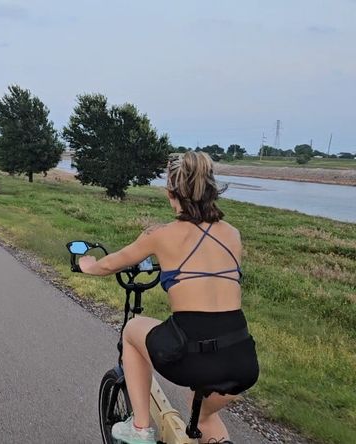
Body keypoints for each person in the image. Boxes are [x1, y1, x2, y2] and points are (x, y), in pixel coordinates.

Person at [78, 151, 259, 444]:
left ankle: (139, 428)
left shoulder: (160, 234)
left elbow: (110, 264)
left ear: (170, 193)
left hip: (190, 355)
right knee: (203, 417)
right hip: (242, 360)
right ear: (212, 189)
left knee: (132, 330)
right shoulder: (233, 235)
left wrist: (87, 265)